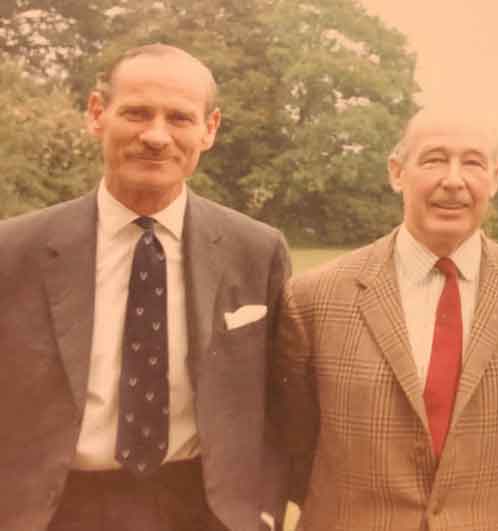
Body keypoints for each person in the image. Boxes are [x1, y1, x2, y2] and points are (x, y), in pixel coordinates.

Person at [0, 44, 291, 531]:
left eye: (179, 118)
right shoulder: (13, 250)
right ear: (97, 114)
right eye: (136, 113)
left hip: (206, 509)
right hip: (54, 510)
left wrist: (262, 508)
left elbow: (285, 403)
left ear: (209, 129)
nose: (156, 136)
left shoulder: (256, 251)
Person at [271, 107, 498, 530]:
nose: (453, 180)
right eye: (433, 159)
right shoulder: (312, 299)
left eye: (473, 162)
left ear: (496, 178)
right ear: (397, 172)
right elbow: (294, 445)